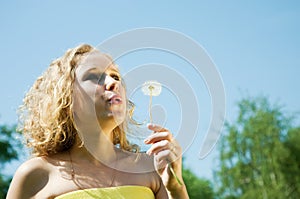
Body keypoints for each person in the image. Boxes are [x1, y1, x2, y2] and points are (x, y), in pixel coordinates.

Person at [6, 44, 189, 199]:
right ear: (65, 97)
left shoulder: (151, 168)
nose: (113, 83)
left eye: (115, 76)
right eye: (94, 77)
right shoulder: (35, 175)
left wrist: (176, 188)